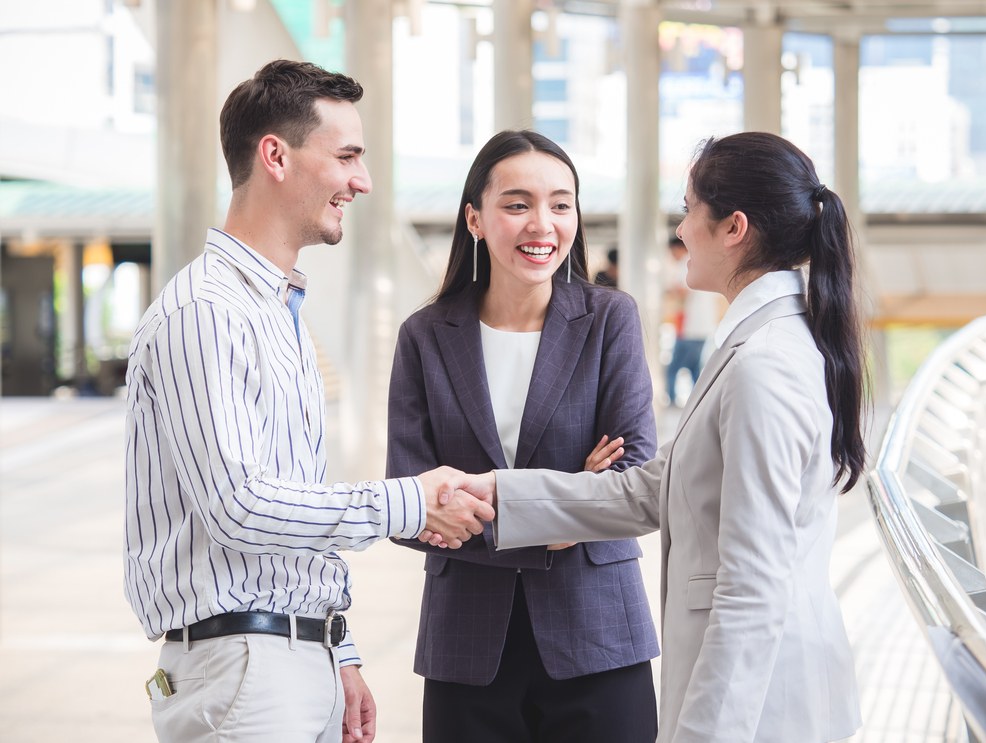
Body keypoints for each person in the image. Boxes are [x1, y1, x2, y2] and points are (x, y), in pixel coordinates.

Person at [436, 131, 867, 743]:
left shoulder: (763, 364)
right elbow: (650, 489)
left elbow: (753, 586)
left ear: (733, 227)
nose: (683, 228)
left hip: (762, 706)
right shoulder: (763, 344)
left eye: (690, 209)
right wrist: (498, 493)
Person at [123, 59, 493, 743]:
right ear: (275, 156)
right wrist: (412, 500)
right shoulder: (206, 312)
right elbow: (240, 503)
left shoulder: (279, 309)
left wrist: (337, 647)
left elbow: (290, 508)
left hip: (292, 663)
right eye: (347, 155)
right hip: (242, 674)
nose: (363, 180)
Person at [386, 129, 660, 743]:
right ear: (475, 219)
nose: (543, 224)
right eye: (517, 204)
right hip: (467, 647)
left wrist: (484, 507)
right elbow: (410, 502)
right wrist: (570, 501)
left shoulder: (609, 320)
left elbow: (635, 480)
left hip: (599, 636)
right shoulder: (425, 337)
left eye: (561, 205)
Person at [664, 236, 718, 406]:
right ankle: (698, 403)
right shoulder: (703, 263)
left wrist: (668, 291)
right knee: (695, 369)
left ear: (679, 248)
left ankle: (672, 400)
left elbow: (683, 291)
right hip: (703, 327)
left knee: (673, 368)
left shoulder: (685, 264)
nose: (672, 256)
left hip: (689, 328)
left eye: (672, 252)